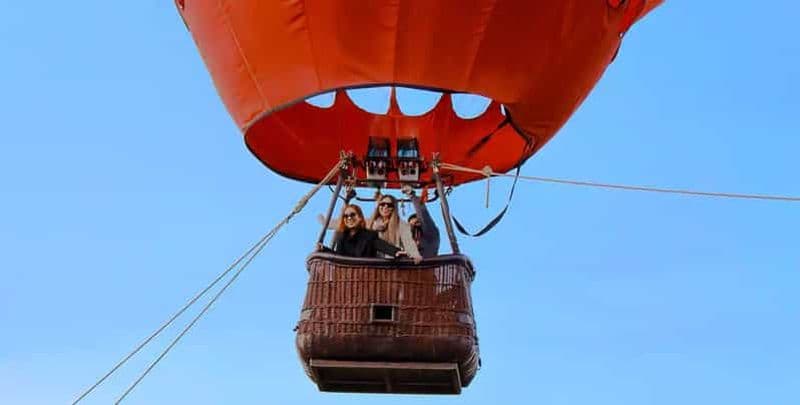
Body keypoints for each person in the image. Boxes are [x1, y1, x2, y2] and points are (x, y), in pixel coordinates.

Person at [318, 204, 407, 259]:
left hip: (365, 278)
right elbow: (338, 256)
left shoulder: (369, 236)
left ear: (360, 218)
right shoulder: (342, 238)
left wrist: (396, 252)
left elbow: (381, 245)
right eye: (346, 216)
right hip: (347, 279)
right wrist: (324, 250)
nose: (349, 218)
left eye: (353, 215)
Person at [369, 193, 422, 263]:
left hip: (391, 262)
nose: (385, 207)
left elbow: (408, 241)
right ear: (378, 206)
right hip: (372, 262)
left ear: (394, 208)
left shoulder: (401, 225)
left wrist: (415, 254)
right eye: (382, 204)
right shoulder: (370, 224)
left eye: (389, 205)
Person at [402, 185, 440, 258]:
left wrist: (411, 195)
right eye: (411, 225)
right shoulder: (407, 243)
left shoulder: (431, 236)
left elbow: (423, 215)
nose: (414, 227)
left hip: (427, 267)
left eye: (417, 223)